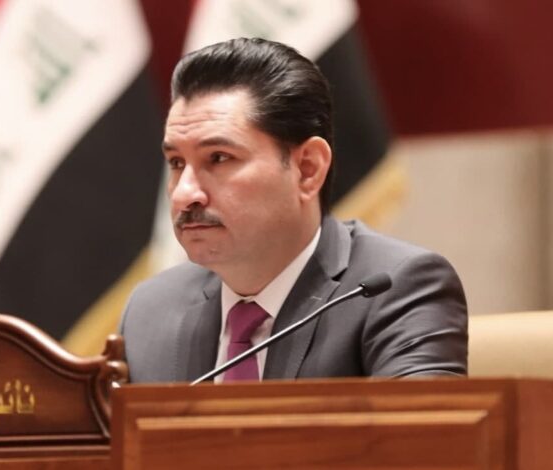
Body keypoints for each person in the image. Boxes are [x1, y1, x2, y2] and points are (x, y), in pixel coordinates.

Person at [119, 37, 467, 383]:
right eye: (176, 162)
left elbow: (419, 421)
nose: (184, 194)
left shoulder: (395, 289)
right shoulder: (150, 310)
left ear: (307, 168)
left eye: (219, 158)